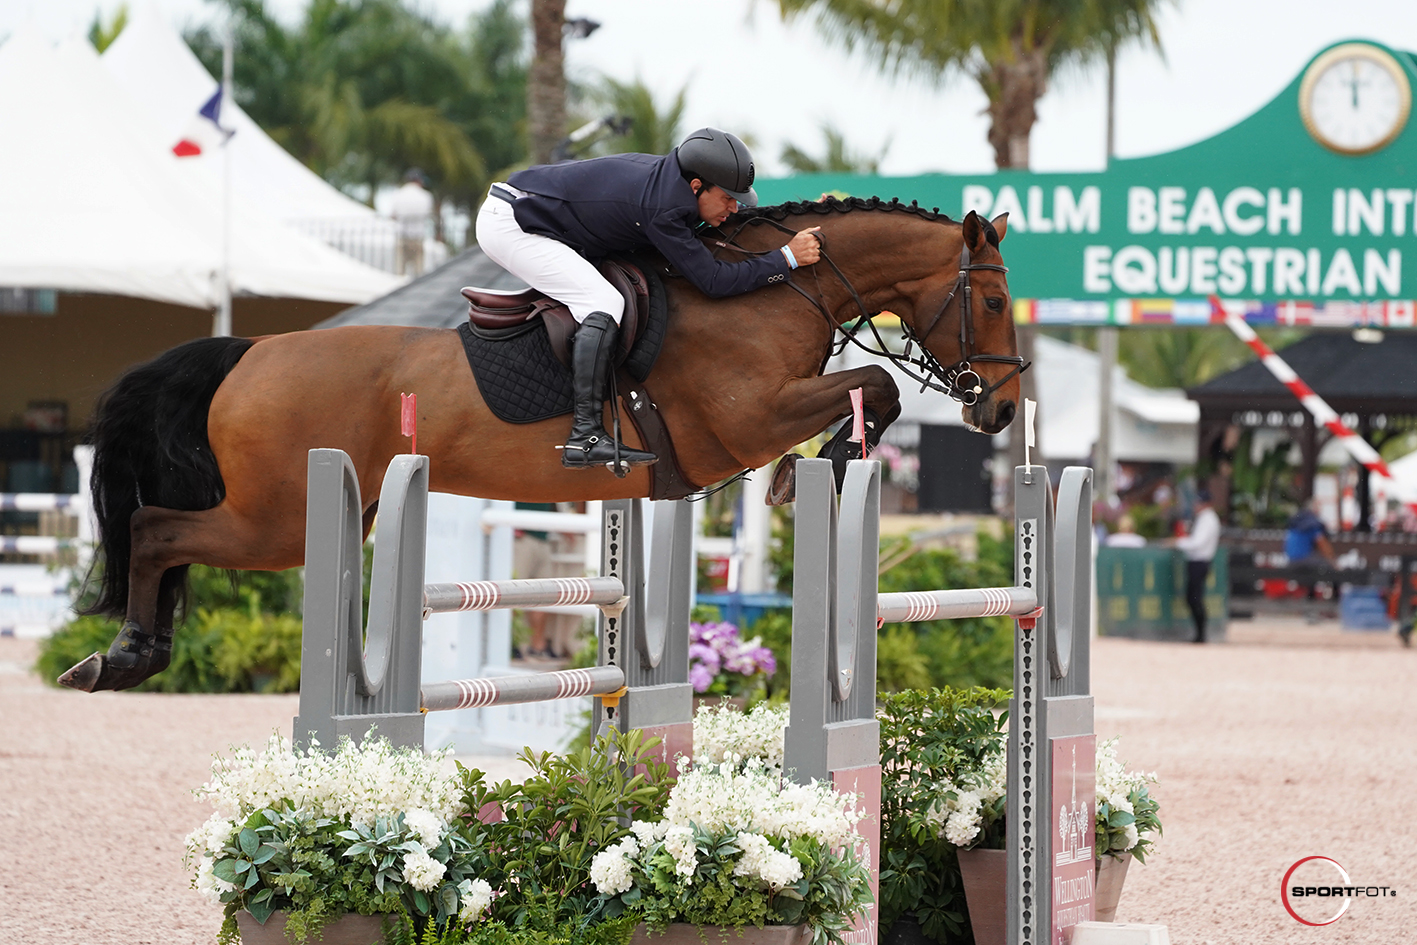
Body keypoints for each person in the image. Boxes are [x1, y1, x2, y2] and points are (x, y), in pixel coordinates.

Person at [475, 128, 823, 471]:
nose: (733, 208)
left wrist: (801, 217)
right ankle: (585, 436)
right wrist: (786, 259)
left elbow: (726, 228)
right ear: (697, 186)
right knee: (603, 302)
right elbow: (714, 281)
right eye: (728, 199)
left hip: (537, 214)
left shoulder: (679, 184)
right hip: (512, 225)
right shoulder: (664, 207)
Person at [1172, 489, 1221, 643]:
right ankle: (1199, 634)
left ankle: (1201, 634)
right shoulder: (1203, 518)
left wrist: (1178, 542)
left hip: (1199, 562)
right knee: (1193, 598)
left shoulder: (1208, 520)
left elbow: (1197, 543)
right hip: (1196, 561)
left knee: (1195, 598)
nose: (1195, 505)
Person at [391, 168, 434, 276]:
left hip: (402, 235)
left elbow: (393, 215)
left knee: (399, 271)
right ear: (419, 181)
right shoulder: (426, 196)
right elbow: (428, 214)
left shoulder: (399, 194)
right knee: (418, 271)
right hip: (418, 236)